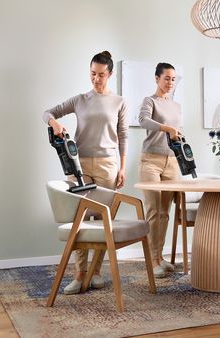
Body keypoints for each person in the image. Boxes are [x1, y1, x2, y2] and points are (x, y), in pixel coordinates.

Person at [43, 51, 128, 295]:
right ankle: (80, 274)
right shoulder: (80, 100)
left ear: (110, 74)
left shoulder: (119, 101)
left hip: (107, 166)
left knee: (103, 220)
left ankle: (96, 272)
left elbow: (123, 135)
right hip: (78, 165)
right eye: (92, 73)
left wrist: (122, 167)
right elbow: (47, 113)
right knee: (78, 218)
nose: (96, 79)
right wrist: (54, 123)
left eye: (101, 74)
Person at [138, 62, 182, 278]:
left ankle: (159, 256)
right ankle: (152, 260)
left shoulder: (176, 106)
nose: (170, 82)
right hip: (151, 160)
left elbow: (177, 133)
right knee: (153, 211)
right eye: (166, 78)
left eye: (173, 79)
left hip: (172, 161)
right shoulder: (150, 101)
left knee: (165, 213)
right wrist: (166, 128)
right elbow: (143, 120)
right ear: (157, 78)